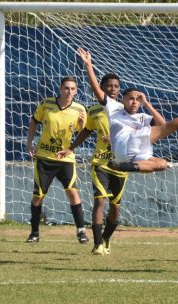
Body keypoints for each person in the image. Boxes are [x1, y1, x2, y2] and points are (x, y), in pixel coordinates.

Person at [77, 48, 178, 173]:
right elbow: (97, 90)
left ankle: (124, 167)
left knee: (161, 164)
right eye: (130, 98)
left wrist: (146, 102)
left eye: (137, 99)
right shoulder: (114, 108)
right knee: (166, 128)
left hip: (134, 156)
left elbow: (161, 122)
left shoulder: (143, 117)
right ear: (123, 100)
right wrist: (89, 65)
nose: (134, 101)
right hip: (124, 144)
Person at [55, 60, 127, 255]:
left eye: (116, 86)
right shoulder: (93, 111)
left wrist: (116, 140)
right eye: (109, 86)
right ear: (101, 89)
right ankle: (97, 244)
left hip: (120, 166)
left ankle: (106, 238)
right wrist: (70, 148)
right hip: (100, 164)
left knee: (115, 207)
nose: (113, 89)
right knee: (100, 201)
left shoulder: (125, 110)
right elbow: (86, 131)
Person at [25, 76, 89, 244]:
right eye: (66, 88)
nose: (69, 91)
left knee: (73, 192)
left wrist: (82, 124)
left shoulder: (79, 109)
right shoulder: (46, 104)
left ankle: (81, 232)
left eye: (73, 89)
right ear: (60, 89)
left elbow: (81, 132)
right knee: (38, 196)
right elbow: (34, 122)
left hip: (66, 158)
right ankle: (34, 233)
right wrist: (29, 142)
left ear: (76, 91)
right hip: (45, 157)